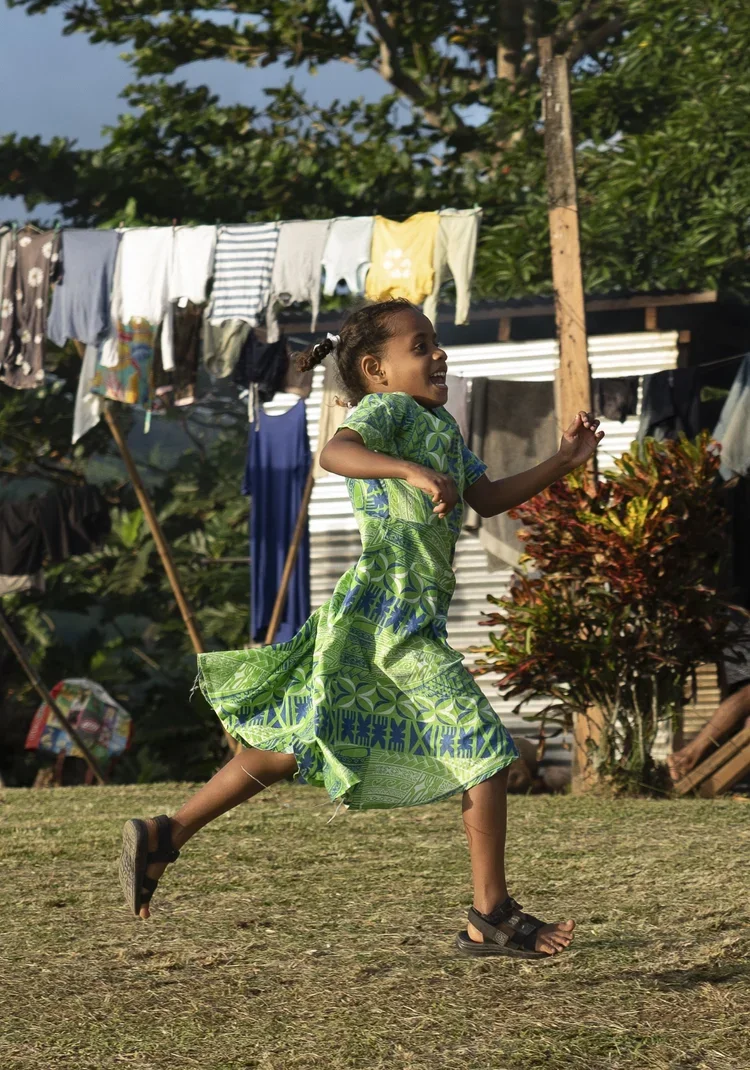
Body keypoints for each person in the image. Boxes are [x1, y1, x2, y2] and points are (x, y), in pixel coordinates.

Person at [119, 298, 604, 959]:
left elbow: (486, 499)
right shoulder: (389, 414)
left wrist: (564, 461)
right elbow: (335, 453)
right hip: (392, 617)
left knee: (299, 736)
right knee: (484, 750)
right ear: (376, 369)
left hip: (386, 617)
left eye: (437, 343)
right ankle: (491, 913)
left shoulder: (441, 429)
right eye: (421, 346)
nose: (438, 354)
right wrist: (407, 469)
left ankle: (167, 833)